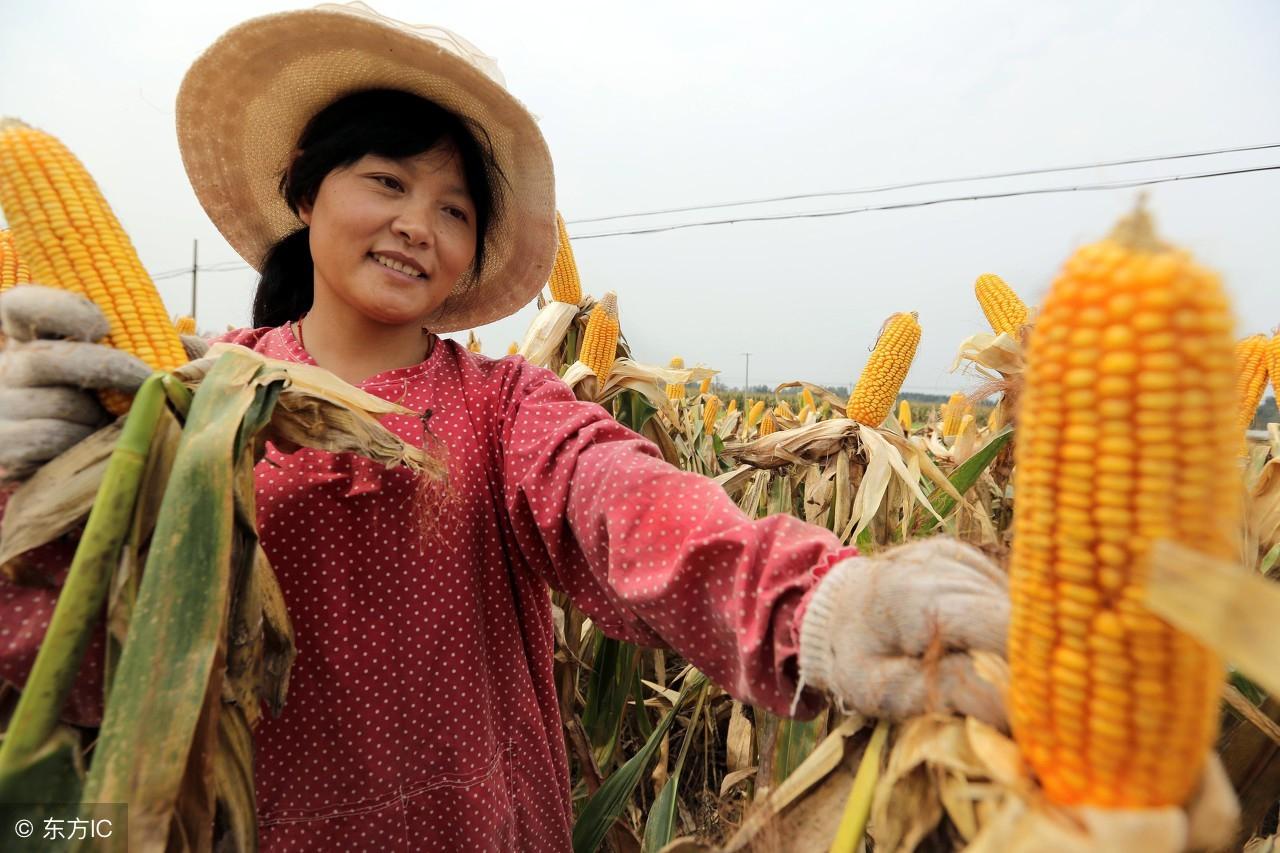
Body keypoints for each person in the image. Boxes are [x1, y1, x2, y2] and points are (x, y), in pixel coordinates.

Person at [0, 4, 1009, 849]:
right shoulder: (184, 398)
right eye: (387, 183)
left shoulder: (504, 406)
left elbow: (628, 507)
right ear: (306, 192)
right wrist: (28, 500)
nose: (415, 226)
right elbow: (77, 662)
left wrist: (822, 607)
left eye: (452, 209)